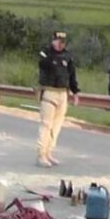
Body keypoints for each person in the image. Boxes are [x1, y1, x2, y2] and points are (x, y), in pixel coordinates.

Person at [37, 31, 79, 168]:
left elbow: (72, 75)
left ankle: (49, 152)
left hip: (63, 93)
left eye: (63, 42)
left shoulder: (68, 56)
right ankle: (41, 154)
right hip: (49, 92)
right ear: (53, 40)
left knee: (57, 126)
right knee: (46, 124)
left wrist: (75, 92)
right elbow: (43, 64)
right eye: (58, 41)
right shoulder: (45, 53)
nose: (60, 44)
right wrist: (52, 51)